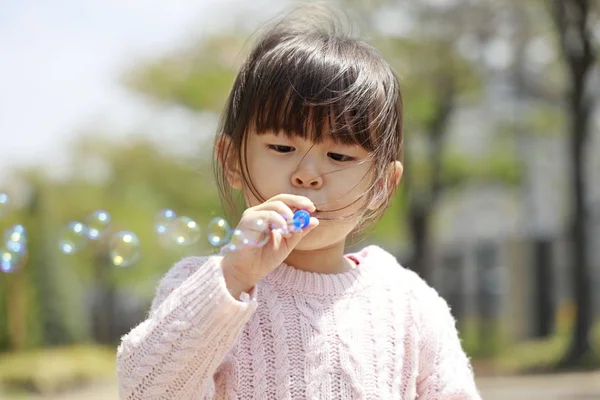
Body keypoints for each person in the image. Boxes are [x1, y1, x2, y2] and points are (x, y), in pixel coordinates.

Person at [116, 5, 481, 400]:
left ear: (383, 184)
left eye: (339, 156)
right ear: (232, 161)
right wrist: (233, 278)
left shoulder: (410, 304)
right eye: (282, 146)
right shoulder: (205, 288)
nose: (307, 174)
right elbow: (145, 391)